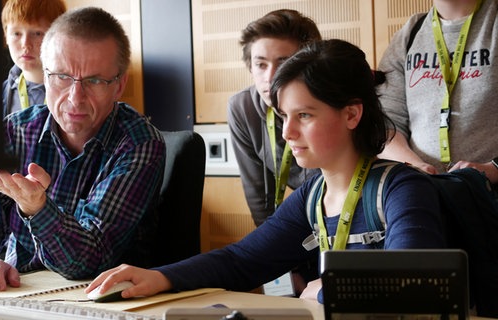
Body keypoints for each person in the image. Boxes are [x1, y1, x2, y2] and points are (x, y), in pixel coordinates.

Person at [85, 39, 446, 303]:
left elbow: (412, 283)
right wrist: (160, 276)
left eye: (304, 115)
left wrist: (328, 289)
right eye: (284, 116)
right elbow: (242, 260)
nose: (287, 133)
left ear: (352, 114)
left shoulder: (402, 188)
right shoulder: (313, 195)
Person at [0, 7, 166, 293]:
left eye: (94, 81)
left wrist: (37, 208)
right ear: (45, 74)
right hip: (17, 296)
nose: (75, 98)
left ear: (119, 85)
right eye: (62, 77)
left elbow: (88, 261)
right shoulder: (11, 133)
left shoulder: (139, 144)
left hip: (100, 303)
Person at [377, 0, 498, 185]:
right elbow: (386, 125)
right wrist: (416, 167)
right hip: (424, 195)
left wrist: (494, 169)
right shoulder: (410, 33)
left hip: (487, 198)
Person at [228, 9, 322, 228]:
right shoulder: (243, 108)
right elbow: (260, 199)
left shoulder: (333, 103)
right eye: (261, 65)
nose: (270, 78)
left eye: (284, 63)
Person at [1, 0, 67, 117]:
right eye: (17, 34)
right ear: (6, 36)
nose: (25, 44)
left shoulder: (71, 92)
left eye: (37, 33)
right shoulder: (1, 93)